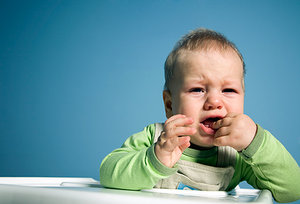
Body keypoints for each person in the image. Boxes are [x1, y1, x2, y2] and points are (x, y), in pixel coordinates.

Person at [100, 28, 300, 203]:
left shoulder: (237, 157)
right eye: (197, 90)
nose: (214, 101)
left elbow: (293, 190)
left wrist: (256, 141)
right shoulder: (157, 138)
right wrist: (155, 158)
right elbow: (108, 174)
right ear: (170, 105)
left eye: (228, 90)